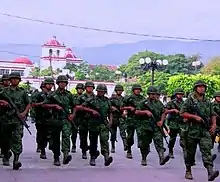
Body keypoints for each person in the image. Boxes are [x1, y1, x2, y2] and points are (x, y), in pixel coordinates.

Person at [180, 80, 219, 181]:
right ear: (195, 88)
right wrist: (193, 116)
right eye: (200, 87)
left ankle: (210, 172)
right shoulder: (189, 100)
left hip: (204, 130)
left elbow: (213, 114)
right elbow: (182, 113)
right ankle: (188, 170)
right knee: (190, 153)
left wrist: (214, 125)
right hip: (191, 130)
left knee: (207, 150)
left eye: (203, 87)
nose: (202, 88)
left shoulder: (207, 101)